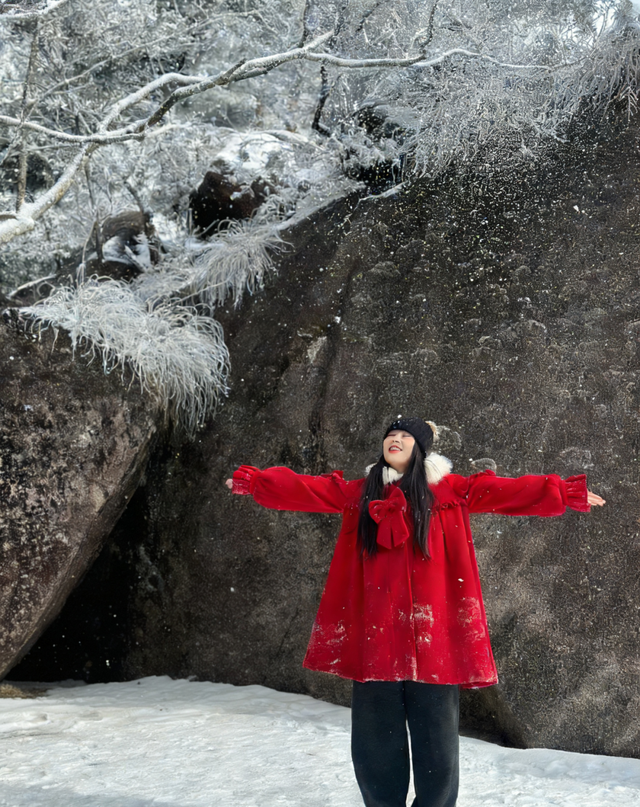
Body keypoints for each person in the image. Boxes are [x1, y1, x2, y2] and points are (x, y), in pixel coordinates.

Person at [225, 417, 605, 807]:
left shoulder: (452, 490)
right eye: (391, 435)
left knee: (437, 747)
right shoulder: (362, 492)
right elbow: (312, 489)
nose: (396, 439)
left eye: (406, 436)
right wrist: (256, 482)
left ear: (421, 448)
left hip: (435, 639)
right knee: (375, 747)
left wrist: (562, 492)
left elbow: (504, 491)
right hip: (378, 642)